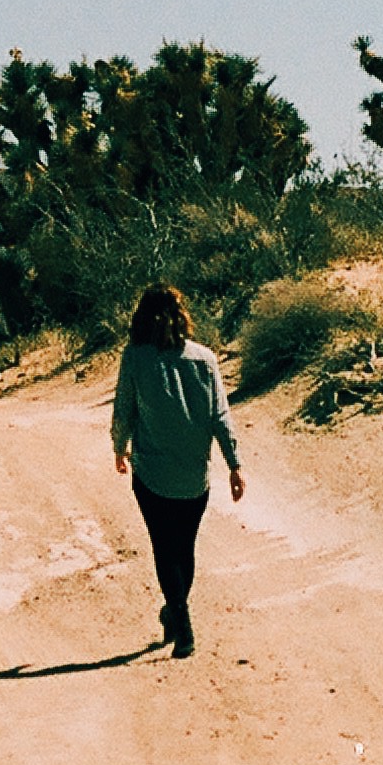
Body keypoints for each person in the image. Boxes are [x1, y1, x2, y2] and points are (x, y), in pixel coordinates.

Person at [110, 281, 243, 658]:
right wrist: (234, 464)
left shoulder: (134, 357)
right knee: (184, 548)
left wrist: (119, 448)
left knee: (163, 547)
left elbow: (124, 409)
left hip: (151, 473)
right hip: (194, 475)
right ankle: (175, 611)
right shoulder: (206, 359)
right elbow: (220, 416)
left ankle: (181, 624)